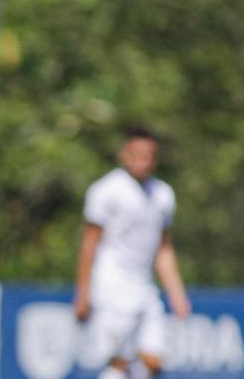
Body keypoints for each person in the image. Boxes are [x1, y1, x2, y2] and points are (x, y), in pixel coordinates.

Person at [73, 127, 191, 379]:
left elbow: (164, 249)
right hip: (112, 286)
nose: (143, 162)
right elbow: (89, 243)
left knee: (154, 361)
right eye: (137, 155)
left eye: (148, 156)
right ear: (124, 155)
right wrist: (83, 292)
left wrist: (177, 294)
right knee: (119, 362)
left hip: (144, 287)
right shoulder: (106, 191)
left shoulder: (163, 195)